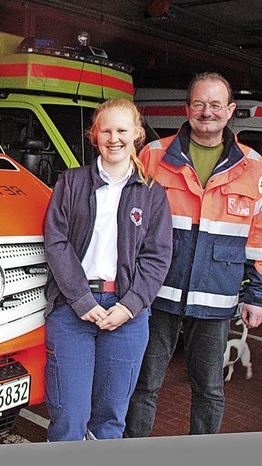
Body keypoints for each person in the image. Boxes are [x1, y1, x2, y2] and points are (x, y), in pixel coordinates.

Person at [124, 72, 262, 438]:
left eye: (216, 104)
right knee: (143, 386)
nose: (207, 112)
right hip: (156, 294)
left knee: (210, 390)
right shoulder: (153, 155)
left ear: (230, 111)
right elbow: (128, 225)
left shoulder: (253, 166)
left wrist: (257, 297)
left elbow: (259, 237)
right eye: (199, 104)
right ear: (187, 109)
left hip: (216, 297)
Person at [43, 97, 173, 441]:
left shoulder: (152, 194)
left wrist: (129, 307)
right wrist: (82, 301)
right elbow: (56, 243)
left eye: (122, 131)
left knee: (110, 421)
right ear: (94, 135)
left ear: (137, 135)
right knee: (69, 418)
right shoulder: (71, 183)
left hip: (126, 315)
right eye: (106, 131)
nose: (114, 138)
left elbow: (158, 256)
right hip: (73, 310)